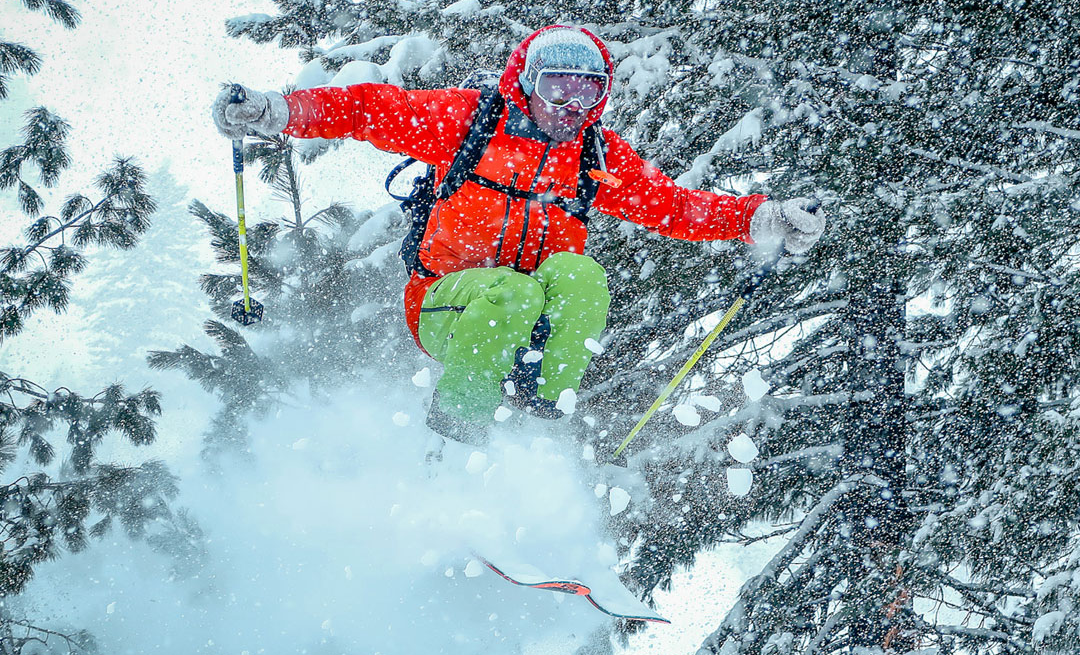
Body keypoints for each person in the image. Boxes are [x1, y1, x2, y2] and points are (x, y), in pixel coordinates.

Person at [212, 25, 824, 444]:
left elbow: (670, 206)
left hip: (534, 321)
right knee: (512, 290)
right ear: (527, 82)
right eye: (557, 87)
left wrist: (761, 218)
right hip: (447, 304)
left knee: (582, 277)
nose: (569, 107)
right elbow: (371, 109)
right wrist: (277, 111)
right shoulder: (472, 123)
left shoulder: (592, 156)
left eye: (586, 92)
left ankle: (540, 426)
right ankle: (455, 441)